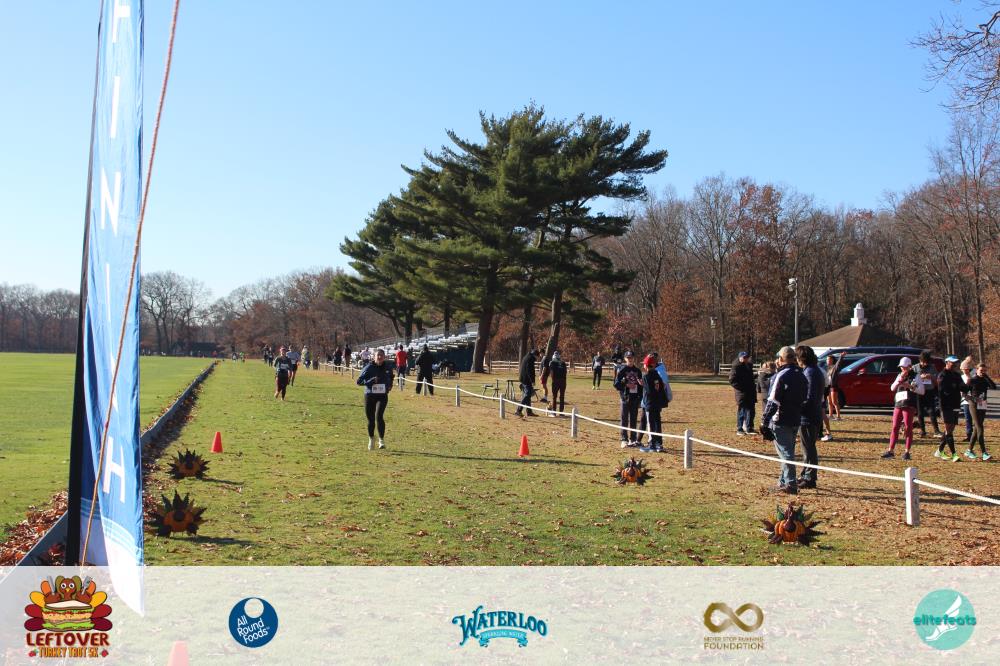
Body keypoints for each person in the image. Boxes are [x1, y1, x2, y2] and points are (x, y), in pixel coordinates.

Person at [760, 346, 807, 494]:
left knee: (786, 453)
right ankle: (783, 481)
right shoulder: (801, 375)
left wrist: (764, 421)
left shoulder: (781, 376)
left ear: (781, 359)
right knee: (787, 451)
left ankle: (790, 484)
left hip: (781, 420)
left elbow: (773, 401)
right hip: (795, 419)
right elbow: (804, 398)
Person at [880, 357, 924, 460]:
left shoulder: (916, 376)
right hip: (898, 403)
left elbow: (922, 391)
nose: (902, 369)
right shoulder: (899, 375)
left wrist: (910, 387)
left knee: (908, 427)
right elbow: (892, 388)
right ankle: (890, 451)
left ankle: (907, 452)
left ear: (910, 367)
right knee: (895, 427)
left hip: (909, 404)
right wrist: (899, 380)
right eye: (901, 367)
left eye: (904, 367)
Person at [796, 345, 824, 489]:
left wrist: (796, 407)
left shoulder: (810, 372)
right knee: (807, 447)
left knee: (808, 448)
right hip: (812, 415)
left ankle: (810, 477)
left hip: (809, 417)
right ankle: (805, 473)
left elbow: (810, 397)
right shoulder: (813, 370)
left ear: (802, 358)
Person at [356, 348, 394, 450]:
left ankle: (381, 441)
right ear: (374, 357)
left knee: (379, 416)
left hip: (382, 396)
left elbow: (391, 376)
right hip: (370, 396)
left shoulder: (388, 367)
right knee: (371, 420)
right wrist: (371, 381)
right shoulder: (369, 367)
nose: (380, 357)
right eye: (378, 355)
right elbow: (359, 381)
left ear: (384, 357)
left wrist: (390, 385)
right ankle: (371, 438)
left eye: (382, 355)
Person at [963, 361, 996, 461]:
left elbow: (993, 387)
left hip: (983, 405)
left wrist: (987, 377)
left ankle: (969, 450)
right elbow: (964, 394)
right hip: (974, 405)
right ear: (976, 370)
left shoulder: (985, 380)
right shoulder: (972, 380)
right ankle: (984, 452)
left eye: (985, 371)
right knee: (980, 428)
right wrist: (973, 399)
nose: (983, 372)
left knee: (977, 429)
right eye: (981, 370)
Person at [935, 355, 964, 462]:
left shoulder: (957, 375)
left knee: (950, 430)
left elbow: (963, 387)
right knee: (949, 430)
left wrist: (971, 384)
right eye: (953, 362)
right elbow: (941, 392)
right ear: (947, 362)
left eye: (956, 362)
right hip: (946, 406)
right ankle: (954, 454)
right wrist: (941, 407)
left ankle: (939, 451)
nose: (955, 364)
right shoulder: (942, 375)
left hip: (956, 405)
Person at [614, 351, 644, 448]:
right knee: (624, 419)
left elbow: (641, 386)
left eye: (631, 357)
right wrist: (626, 385)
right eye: (628, 357)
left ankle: (633, 439)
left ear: (634, 358)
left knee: (634, 419)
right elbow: (616, 384)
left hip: (635, 398)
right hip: (625, 398)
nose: (630, 359)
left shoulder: (638, 371)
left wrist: (640, 397)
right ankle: (624, 439)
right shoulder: (622, 370)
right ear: (625, 359)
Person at [639, 354, 669, 453]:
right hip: (657, 403)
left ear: (646, 365)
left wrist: (643, 384)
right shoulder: (657, 375)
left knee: (651, 423)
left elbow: (649, 390)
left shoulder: (646, 376)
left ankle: (652, 445)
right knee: (657, 423)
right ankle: (659, 444)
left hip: (650, 403)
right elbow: (661, 387)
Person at [915, 350, 941, 439]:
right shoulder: (915, 368)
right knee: (920, 412)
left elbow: (937, 381)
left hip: (929, 391)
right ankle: (922, 431)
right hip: (919, 392)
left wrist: (931, 377)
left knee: (932, 411)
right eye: (923, 362)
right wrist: (919, 377)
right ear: (920, 360)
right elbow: (911, 380)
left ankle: (936, 430)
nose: (925, 364)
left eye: (926, 362)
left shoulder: (932, 367)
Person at [729, 351, 757, 435]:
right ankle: (740, 429)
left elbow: (749, 377)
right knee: (742, 411)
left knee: (751, 410)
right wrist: (741, 389)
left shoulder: (749, 365)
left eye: (747, 357)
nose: (746, 359)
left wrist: (757, 375)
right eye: (744, 357)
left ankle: (749, 428)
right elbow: (732, 380)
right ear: (740, 358)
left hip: (751, 392)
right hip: (742, 393)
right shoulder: (736, 366)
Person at [514, 348, 539, 418]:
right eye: (537, 357)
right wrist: (532, 381)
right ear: (535, 355)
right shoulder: (530, 359)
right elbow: (529, 371)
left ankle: (529, 411)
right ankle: (518, 410)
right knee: (527, 395)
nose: (537, 358)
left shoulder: (527, 357)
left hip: (524, 379)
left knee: (528, 395)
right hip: (526, 380)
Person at [960, 356, 976, 444]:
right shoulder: (962, 376)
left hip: (974, 401)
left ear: (967, 369)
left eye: (963, 369)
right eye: (962, 369)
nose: (962, 370)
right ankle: (969, 435)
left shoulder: (974, 375)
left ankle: (976, 435)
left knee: (975, 419)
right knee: (967, 418)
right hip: (965, 401)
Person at [548, 351, 568, 415]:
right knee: (562, 397)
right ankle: (561, 412)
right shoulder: (563, 363)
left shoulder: (552, 362)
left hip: (556, 380)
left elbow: (551, 372)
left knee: (554, 397)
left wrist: (553, 380)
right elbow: (565, 372)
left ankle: (554, 412)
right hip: (563, 381)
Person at [825, 355, 843, 421]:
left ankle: (838, 417)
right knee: (829, 402)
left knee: (834, 402)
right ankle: (830, 415)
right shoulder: (827, 368)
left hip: (833, 386)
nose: (827, 361)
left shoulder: (835, 367)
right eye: (827, 359)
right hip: (828, 386)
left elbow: (838, 364)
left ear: (832, 360)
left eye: (829, 359)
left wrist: (841, 357)